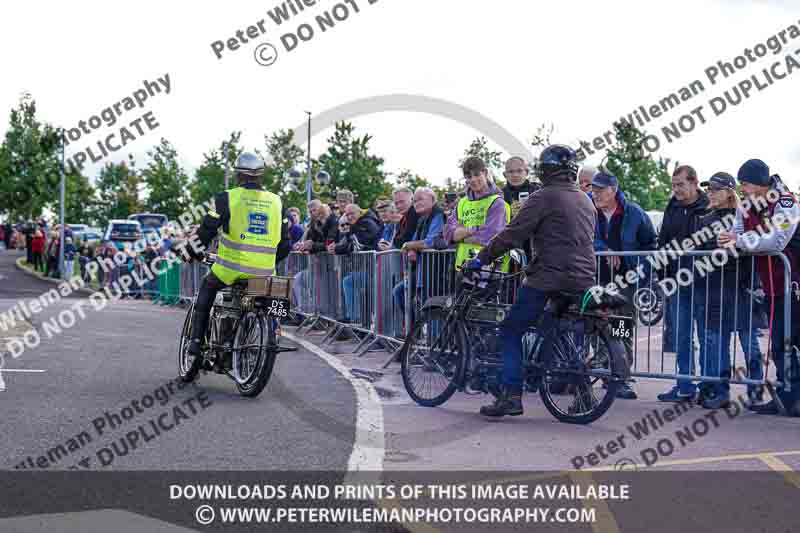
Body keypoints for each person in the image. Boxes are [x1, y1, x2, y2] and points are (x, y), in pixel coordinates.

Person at [464, 145, 596, 417]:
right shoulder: (585, 199)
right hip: (583, 277)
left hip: (548, 276)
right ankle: (584, 395)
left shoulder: (542, 197)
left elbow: (511, 235)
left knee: (511, 330)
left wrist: (480, 260)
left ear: (545, 171)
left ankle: (511, 395)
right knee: (562, 331)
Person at [186, 152, 291, 372]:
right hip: (264, 271)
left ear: (238, 175)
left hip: (231, 268)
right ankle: (258, 334)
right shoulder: (276, 201)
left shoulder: (226, 198)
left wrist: (191, 252)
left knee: (208, 286)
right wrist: (268, 260)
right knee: (260, 300)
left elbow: (206, 230)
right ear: (261, 175)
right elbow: (285, 243)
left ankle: (195, 342)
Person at [719, 159, 800, 416]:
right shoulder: (745, 205)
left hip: (795, 284)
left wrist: (740, 241)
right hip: (772, 287)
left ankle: (792, 395)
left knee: (793, 341)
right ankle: (789, 395)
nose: (742, 189)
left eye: (745, 184)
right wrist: (736, 239)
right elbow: (734, 233)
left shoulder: (786, 202)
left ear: (760, 183)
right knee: (779, 344)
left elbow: (776, 239)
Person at [591, 171, 657, 400]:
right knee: (596, 326)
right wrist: (604, 250)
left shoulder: (634, 212)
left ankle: (622, 379)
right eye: (594, 189)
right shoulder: (588, 209)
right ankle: (602, 373)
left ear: (614, 189)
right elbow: (587, 237)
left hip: (626, 281)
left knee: (622, 328)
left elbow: (651, 243)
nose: (595, 193)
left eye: (600, 189)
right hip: (597, 278)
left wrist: (642, 274)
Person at [691, 172, 752, 409]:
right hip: (713, 288)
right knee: (716, 342)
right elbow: (700, 251)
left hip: (740, 287)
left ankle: (756, 391)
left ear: (729, 191)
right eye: (709, 189)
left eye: (715, 189)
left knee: (749, 341)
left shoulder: (744, 217)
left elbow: (748, 250)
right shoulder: (705, 220)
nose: (710, 193)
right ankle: (719, 390)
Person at [656, 165, 710, 403]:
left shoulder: (709, 205)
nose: (676, 189)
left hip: (704, 282)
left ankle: (709, 386)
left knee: (707, 336)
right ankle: (684, 386)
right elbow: (664, 241)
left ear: (694, 182)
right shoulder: (672, 206)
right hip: (677, 282)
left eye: (680, 184)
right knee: (682, 336)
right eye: (673, 185)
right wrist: (663, 275)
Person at [445, 157, 511, 272]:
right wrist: (474, 229)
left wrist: (462, 236)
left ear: (485, 173)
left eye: (476, 174)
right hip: (463, 269)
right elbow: (447, 234)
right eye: (469, 177)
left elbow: (490, 238)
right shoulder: (462, 203)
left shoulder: (497, 202)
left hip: (491, 270)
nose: (473, 180)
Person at [393, 188, 446, 317]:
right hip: (422, 270)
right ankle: (413, 331)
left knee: (432, 306)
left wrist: (409, 246)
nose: (417, 203)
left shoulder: (438, 215)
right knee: (399, 292)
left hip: (436, 271)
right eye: (415, 201)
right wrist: (411, 248)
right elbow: (414, 241)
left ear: (433, 200)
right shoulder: (422, 219)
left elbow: (431, 242)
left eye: (420, 199)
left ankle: (432, 336)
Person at [329, 204, 381, 324]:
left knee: (349, 281)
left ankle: (355, 317)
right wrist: (336, 247)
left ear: (359, 212)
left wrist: (337, 249)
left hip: (373, 268)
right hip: (366, 267)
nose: (349, 217)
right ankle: (356, 317)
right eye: (347, 214)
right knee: (349, 281)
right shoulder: (356, 225)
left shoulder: (367, 223)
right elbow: (349, 243)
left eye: (352, 213)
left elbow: (358, 245)